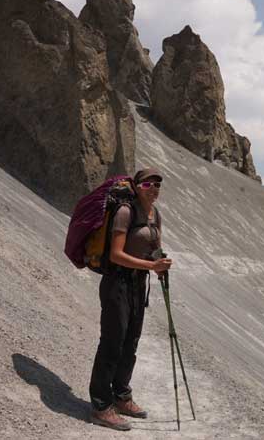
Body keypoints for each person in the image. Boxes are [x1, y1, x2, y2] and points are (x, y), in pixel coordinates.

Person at [89, 167, 173, 431]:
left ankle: (122, 395)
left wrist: (159, 262)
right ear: (136, 186)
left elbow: (153, 246)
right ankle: (101, 405)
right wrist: (151, 267)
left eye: (158, 185)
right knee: (113, 341)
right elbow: (115, 254)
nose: (154, 189)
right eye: (148, 184)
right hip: (117, 282)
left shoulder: (155, 214)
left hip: (138, 284)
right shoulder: (125, 212)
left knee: (131, 341)